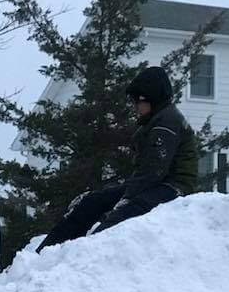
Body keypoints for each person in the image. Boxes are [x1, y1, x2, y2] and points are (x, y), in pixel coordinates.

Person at [36, 66, 199, 253]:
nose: (135, 107)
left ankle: (88, 255)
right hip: (155, 184)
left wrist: (127, 197)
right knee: (91, 202)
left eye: (138, 102)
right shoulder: (156, 121)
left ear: (152, 99)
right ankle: (43, 256)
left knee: (118, 219)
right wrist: (122, 193)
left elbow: (153, 171)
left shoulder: (166, 124)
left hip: (173, 187)